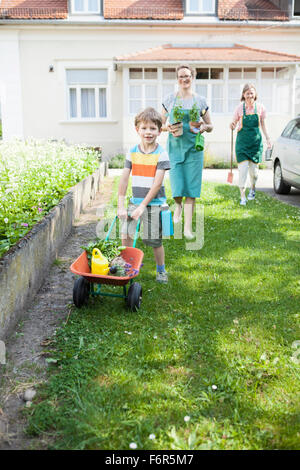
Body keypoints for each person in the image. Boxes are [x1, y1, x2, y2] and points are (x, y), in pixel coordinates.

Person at [118, 107, 170, 283]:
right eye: (144, 128)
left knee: (153, 240)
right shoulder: (132, 152)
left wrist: (143, 206)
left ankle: (161, 270)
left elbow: (157, 185)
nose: (148, 132)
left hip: (154, 204)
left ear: (159, 131)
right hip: (135, 201)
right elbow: (124, 179)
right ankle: (128, 265)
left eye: (153, 128)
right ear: (137, 130)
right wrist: (120, 205)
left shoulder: (161, 154)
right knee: (126, 234)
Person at [161, 64, 213, 240]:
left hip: (194, 150)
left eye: (188, 76)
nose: (184, 79)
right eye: (181, 76)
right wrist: (168, 127)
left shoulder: (200, 100)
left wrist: (204, 127)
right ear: (177, 79)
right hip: (175, 149)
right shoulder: (169, 99)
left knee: (191, 189)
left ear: (193, 78)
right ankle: (178, 207)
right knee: (177, 188)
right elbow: (159, 124)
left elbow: (210, 125)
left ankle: (188, 228)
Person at [230, 83, 271, 206]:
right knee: (242, 171)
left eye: (252, 93)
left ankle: (253, 189)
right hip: (242, 144)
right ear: (243, 95)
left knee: (254, 173)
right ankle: (243, 197)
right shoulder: (239, 108)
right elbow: (233, 122)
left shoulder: (260, 108)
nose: (249, 95)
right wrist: (231, 125)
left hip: (255, 145)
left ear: (255, 94)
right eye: (247, 93)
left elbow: (263, 124)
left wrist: (268, 138)